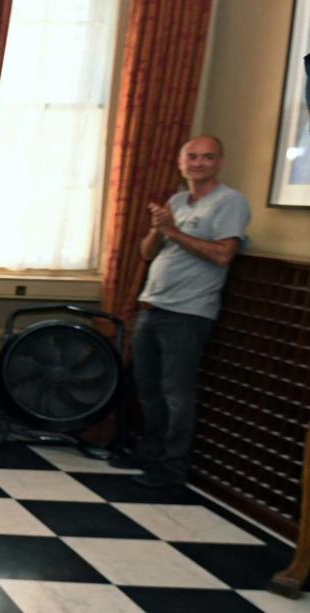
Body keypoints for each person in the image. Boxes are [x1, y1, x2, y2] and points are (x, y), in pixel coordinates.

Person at [118, 135, 250, 488]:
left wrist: (172, 231)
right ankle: (149, 454)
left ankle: (173, 468)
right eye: (192, 157)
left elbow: (223, 255)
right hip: (153, 305)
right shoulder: (177, 200)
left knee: (177, 393)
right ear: (180, 163)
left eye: (207, 157)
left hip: (188, 313)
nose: (198, 163)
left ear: (220, 162)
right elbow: (147, 253)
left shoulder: (230, 202)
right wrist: (158, 229)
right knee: (148, 387)